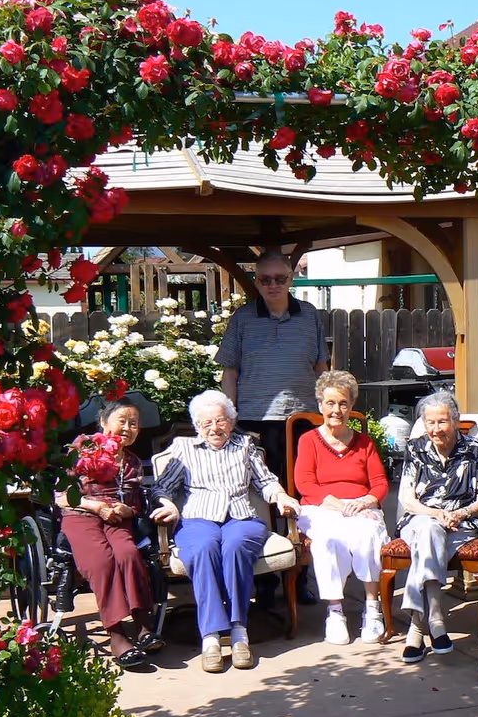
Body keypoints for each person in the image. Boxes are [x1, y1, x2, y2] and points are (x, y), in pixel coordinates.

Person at [148, 390, 300, 673]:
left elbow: (265, 481)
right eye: (206, 423)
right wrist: (168, 504)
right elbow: (162, 486)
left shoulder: (244, 446)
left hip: (242, 518)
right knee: (204, 548)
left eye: (220, 421)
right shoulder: (183, 448)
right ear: (197, 426)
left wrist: (281, 497)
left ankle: (239, 631)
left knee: (235, 546)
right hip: (197, 519)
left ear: (231, 422)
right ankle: (211, 638)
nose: (214, 428)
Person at [217, 250, 328, 606]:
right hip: (254, 422)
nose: (273, 285)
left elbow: (320, 367)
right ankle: (265, 584)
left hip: (302, 422)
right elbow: (230, 372)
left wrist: (326, 413)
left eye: (280, 278)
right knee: (261, 501)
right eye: (265, 279)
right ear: (257, 281)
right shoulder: (243, 319)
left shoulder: (309, 315)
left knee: (301, 497)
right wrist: (229, 416)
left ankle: (300, 578)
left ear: (292, 278)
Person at [57, 398, 159, 670]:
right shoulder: (82, 448)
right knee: (101, 561)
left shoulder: (133, 462)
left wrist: (123, 510)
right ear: (103, 422)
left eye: (134, 423)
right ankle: (116, 633)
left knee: (127, 554)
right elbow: (61, 497)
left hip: (117, 517)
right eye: (122, 421)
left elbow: (136, 506)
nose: (128, 427)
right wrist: (97, 507)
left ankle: (141, 624)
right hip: (81, 514)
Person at [294, 370, 390, 645]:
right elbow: (305, 484)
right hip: (322, 507)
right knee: (329, 538)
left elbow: (381, 483)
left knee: (368, 534)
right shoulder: (309, 440)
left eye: (343, 403)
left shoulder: (364, 442)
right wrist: (339, 505)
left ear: (351, 406)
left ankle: (372, 609)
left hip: (360, 506)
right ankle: (335, 612)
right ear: (320, 405)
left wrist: (366, 502)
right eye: (331, 403)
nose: (337, 410)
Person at [395, 391, 478, 664]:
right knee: (428, 529)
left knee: (430, 536)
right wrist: (437, 514)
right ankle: (434, 618)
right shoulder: (415, 448)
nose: (435, 429)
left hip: (461, 525)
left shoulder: (474, 450)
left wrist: (459, 512)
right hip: (421, 519)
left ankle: (417, 626)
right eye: (430, 422)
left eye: (442, 422)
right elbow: (408, 500)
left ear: (456, 421)